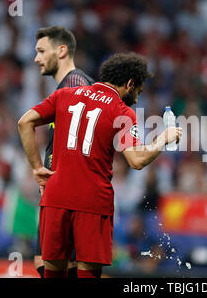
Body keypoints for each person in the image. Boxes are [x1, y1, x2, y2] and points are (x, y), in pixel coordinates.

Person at [18, 53, 182, 278]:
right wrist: (164, 138)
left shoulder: (64, 94)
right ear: (129, 84)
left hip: (55, 197)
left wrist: (37, 166)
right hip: (92, 201)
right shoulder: (122, 112)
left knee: (53, 272)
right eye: (138, 92)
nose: (136, 99)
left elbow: (24, 122)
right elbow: (136, 160)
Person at [32, 26, 95, 278]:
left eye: (40, 51)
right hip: (58, 189)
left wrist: (59, 175)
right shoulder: (65, 88)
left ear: (61, 51)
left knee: (57, 263)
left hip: (67, 194)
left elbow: (82, 143)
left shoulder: (75, 84)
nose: (36, 58)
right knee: (45, 260)